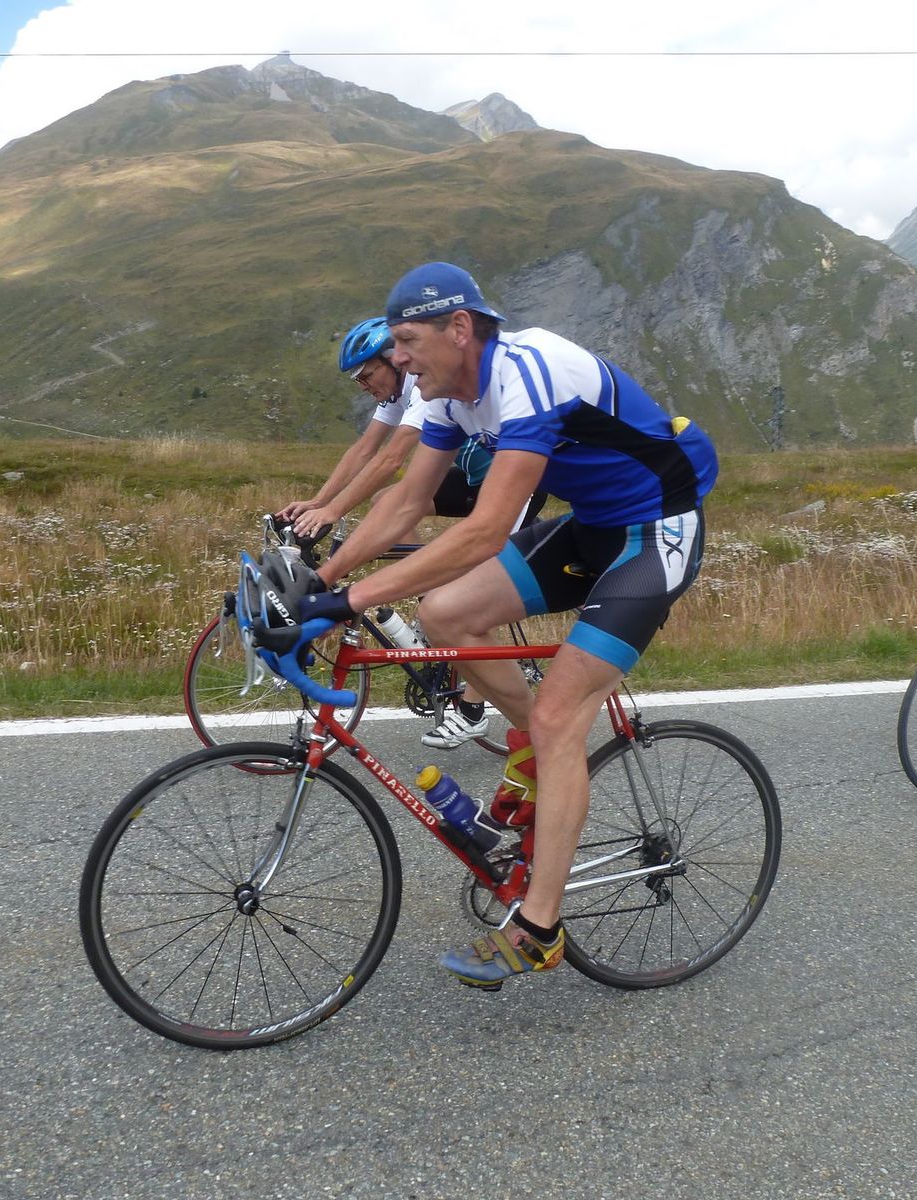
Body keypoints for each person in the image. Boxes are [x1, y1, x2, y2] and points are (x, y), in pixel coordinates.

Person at [296, 261, 718, 987]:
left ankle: (539, 928)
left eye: (407, 341)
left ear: (459, 328)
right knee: (444, 613)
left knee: (560, 716)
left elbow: (487, 530)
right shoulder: (447, 397)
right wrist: (320, 583)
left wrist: (348, 603)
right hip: (594, 526)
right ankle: (534, 751)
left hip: (657, 531)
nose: (398, 360)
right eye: (394, 346)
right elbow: (406, 504)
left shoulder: (528, 372)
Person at [277, 316, 546, 748]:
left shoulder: (423, 391)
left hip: (514, 483)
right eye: (357, 380)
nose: (363, 386)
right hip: (474, 477)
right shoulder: (395, 392)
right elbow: (364, 449)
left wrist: (333, 511)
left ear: (393, 361)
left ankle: (473, 710)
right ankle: (433, 596)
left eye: (367, 375)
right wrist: (318, 502)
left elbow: (390, 460)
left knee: (473, 592)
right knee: (389, 502)